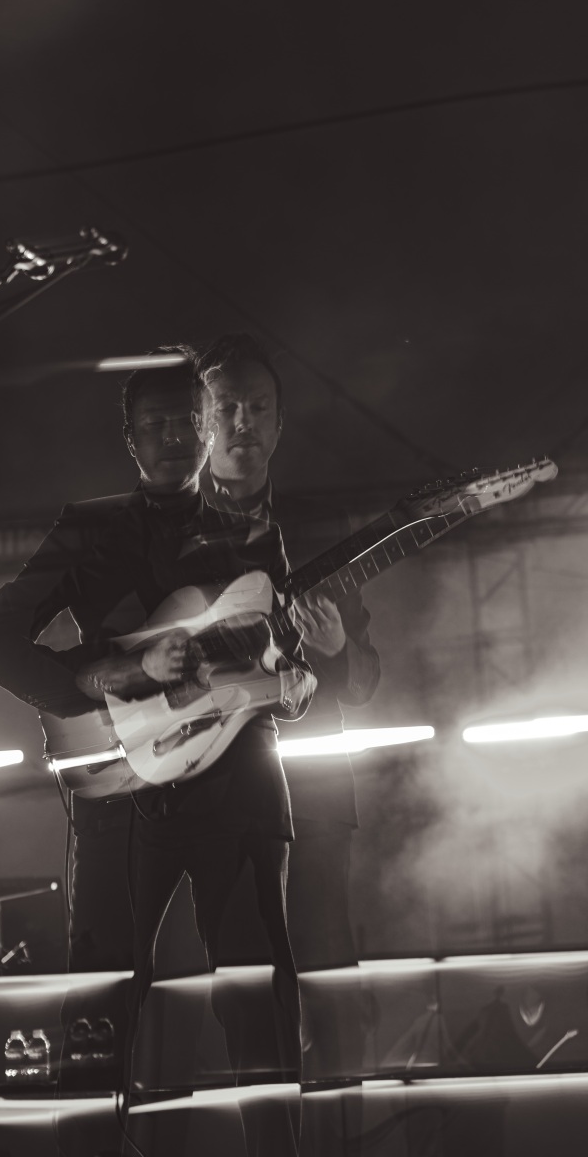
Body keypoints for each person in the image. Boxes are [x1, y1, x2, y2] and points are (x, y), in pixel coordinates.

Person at [0, 359, 314, 1142]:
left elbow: (282, 669)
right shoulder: (90, 526)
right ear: (128, 439)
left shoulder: (253, 528)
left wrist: (296, 686)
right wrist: (112, 674)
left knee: (260, 1007)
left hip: (239, 786)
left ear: (209, 427)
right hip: (124, 788)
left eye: (188, 420)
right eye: (154, 424)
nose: (174, 436)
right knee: (101, 1010)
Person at [194, 333, 380, 979]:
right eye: (226, 408)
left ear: (279, 423)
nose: (243, 422)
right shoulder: (162, 532)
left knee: (327, 981)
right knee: (239, 990)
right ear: (201, 422)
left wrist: (337, 648)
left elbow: (364, 683)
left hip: (313, 802)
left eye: (258, 407)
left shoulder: (317, 532)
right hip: (211, 796)